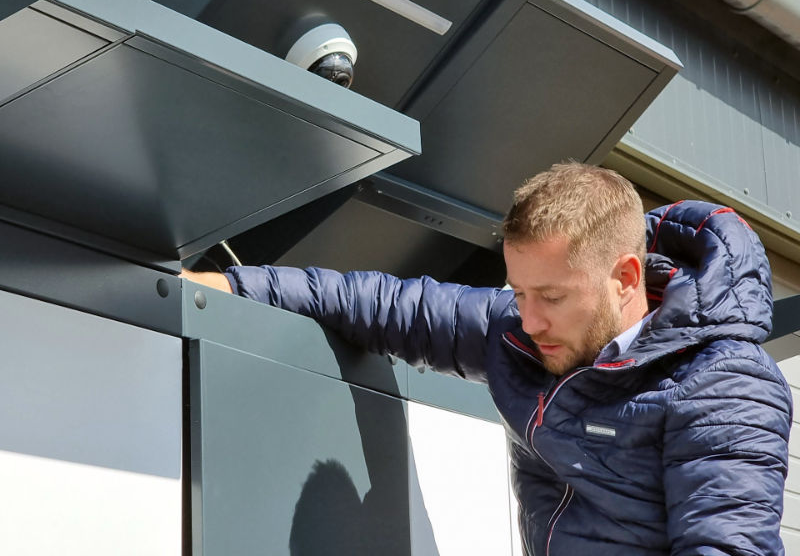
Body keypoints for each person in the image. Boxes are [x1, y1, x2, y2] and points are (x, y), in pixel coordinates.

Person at [185, 162, 792, 555]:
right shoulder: (522, 333)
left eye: (551, 297)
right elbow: (390, 306)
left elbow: (727, 545)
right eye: (519, 292)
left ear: (625, 277)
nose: (528, 320)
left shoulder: (721, 383)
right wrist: (234, 289)